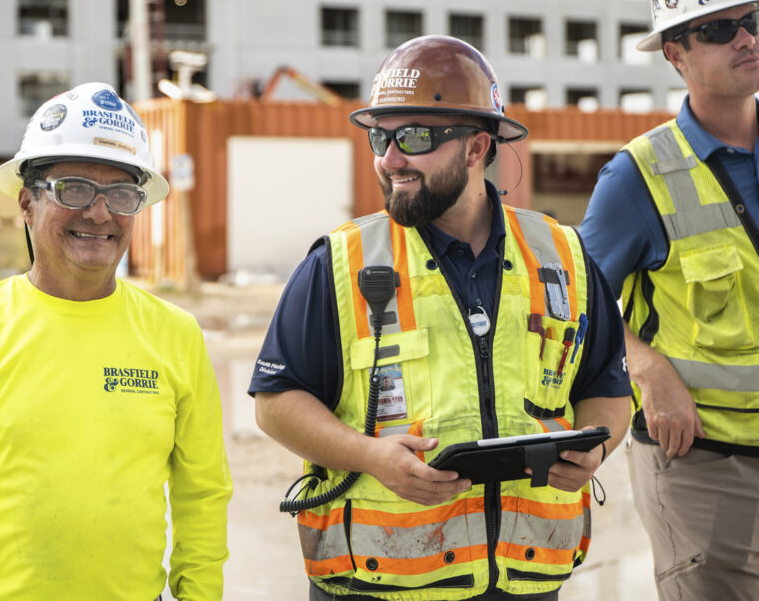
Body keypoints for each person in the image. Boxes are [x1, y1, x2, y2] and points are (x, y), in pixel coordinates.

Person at [250, 35, 632, 601]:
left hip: (525, 579)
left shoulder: (563, 256)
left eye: (414, 137)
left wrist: (594, 451)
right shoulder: (340, 263)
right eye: (380, 137)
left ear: (477, 148)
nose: (389, 159)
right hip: (378, 583)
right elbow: (276, 402)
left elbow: (608, 389)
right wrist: (369, 457)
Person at [0, 83, 232, 600]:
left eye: (122, 195)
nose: (100, 213)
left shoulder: (176, 335)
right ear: (27, 202)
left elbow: (203, 492)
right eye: (74, 189)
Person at [580, 0, 759, 600]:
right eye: (720, 29)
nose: (746, 39)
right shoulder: (637, 177)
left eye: (753, 20)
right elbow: (572, 304)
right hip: (704, 464)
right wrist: (646, 368)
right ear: (675, 53)